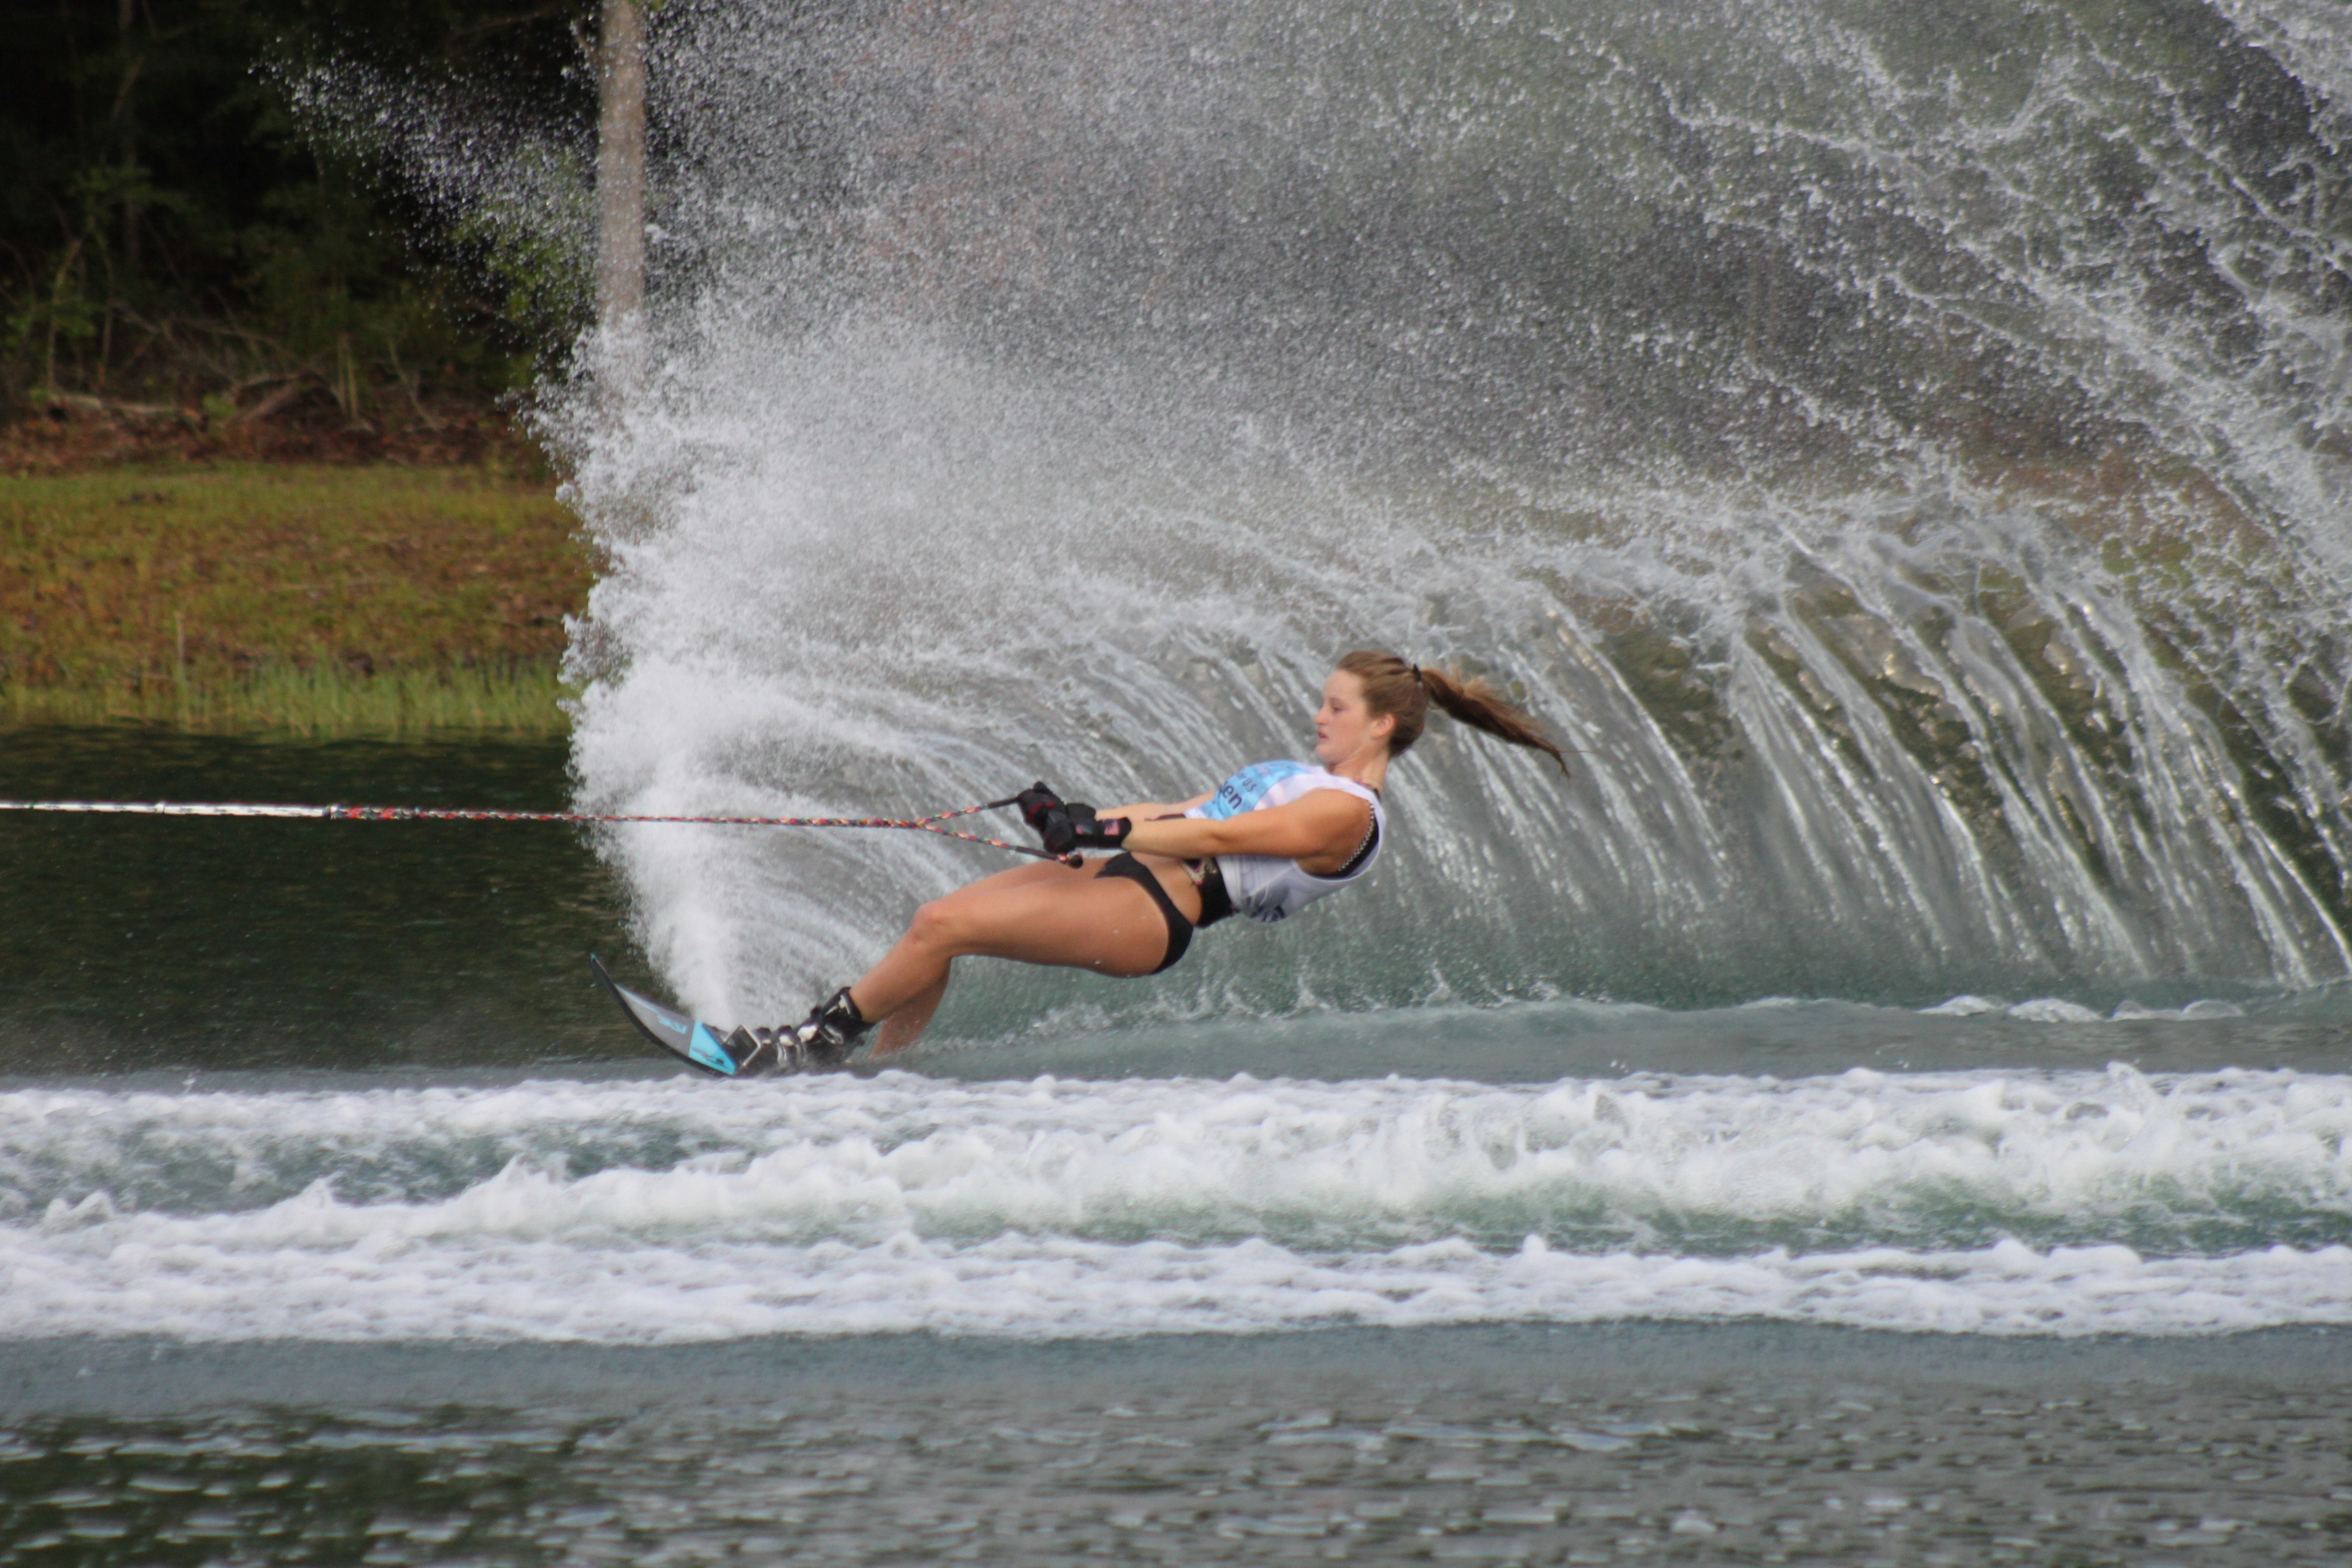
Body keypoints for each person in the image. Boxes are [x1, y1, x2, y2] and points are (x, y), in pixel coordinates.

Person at [730, 650, 1569, 1071]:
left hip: (1160, 913)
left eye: (1336, 707)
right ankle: (876, 1082)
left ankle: (806, 1046)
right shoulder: (1300, 777)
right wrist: (1080, 820)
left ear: (1381, 724)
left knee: (947, 926)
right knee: (932, 929)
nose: (1319, 715)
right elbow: (1189, 809)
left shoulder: (1348, 818)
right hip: (1138, 870)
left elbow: (1217, 842)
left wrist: (1108, 839)